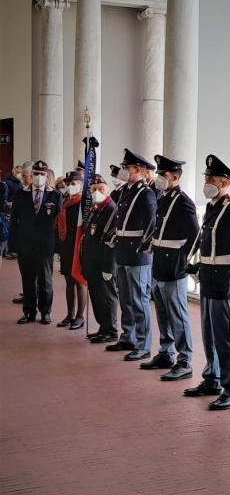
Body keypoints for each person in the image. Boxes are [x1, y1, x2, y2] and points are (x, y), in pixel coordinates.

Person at [183, 154, 230, 410]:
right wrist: (199, 264)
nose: (207, 182)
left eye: (212, 178)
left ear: (225, 183)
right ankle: (212, 378)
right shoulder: (212, 208)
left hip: (225, 282)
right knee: (210, 335)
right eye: (206, 177)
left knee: (226, 338)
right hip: (209, 279)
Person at [140, 155, 199, 380]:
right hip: (159, 264)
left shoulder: (183, 201)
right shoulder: (163, 198)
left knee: (178, 315)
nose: (159, 178)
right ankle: (166, 352)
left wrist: (183, 260)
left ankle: (184, 360)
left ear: (174, 177)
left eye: (162, 175)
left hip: (174, 267)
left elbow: (196, 236)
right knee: (163, 312)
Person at [105, 149, 157, 361]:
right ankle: (128, 336)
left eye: (128, 168)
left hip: (137, 253)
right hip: (123, 250)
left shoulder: (146, 193)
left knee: (138, 299)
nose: (124, 171)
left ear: (139, 171)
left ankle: (143, 344)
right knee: (125, 297)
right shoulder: (126, 191)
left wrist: (143, 247)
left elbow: (152, 223)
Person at [9, 159, 62, 324]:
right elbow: (14, 221)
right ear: (31, 175)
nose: (39, 176)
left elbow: (59, 223)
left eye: (42, 174)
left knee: (45, 281)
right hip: (25, 245)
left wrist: (57, 247)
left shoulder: (55, 195)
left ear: (47, 176)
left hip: (45, 246)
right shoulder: (21, 194)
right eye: (36, 174)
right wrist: (13, 245)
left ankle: (45, 312)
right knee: (28, 280)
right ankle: (29, 312)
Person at [81, 175, 118, 343]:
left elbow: (112, 242)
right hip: (92, 264)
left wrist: (109, 267)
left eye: (100, 188)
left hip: (104, 264)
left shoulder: (111, 209)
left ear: (107, 189)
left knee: (106, 297)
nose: (97, 192)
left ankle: (110, 330)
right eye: (93, 189)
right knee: (96, 297)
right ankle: (102, 327)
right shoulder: (95, 209)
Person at [55, 171, 87, 330]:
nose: (70, 187)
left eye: (74, 184)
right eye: (68, 184)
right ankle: (70, 314)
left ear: (81, 185)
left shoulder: (84, 203)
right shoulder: (65, 201)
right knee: (69, 281)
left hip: (78, 247)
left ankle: (80, 317)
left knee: (80, 281)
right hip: (66, 246)